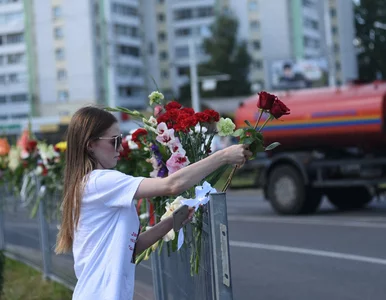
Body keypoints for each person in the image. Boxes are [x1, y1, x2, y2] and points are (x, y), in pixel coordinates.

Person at [54, 106, 252, 300]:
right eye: (114, 141)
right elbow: (172, 185)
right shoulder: (99, 182)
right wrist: (224, 156)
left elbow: (131, 248)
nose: (121, 148)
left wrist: (170, 223)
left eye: (121, 140)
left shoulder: (92, 184)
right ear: (90, 145)